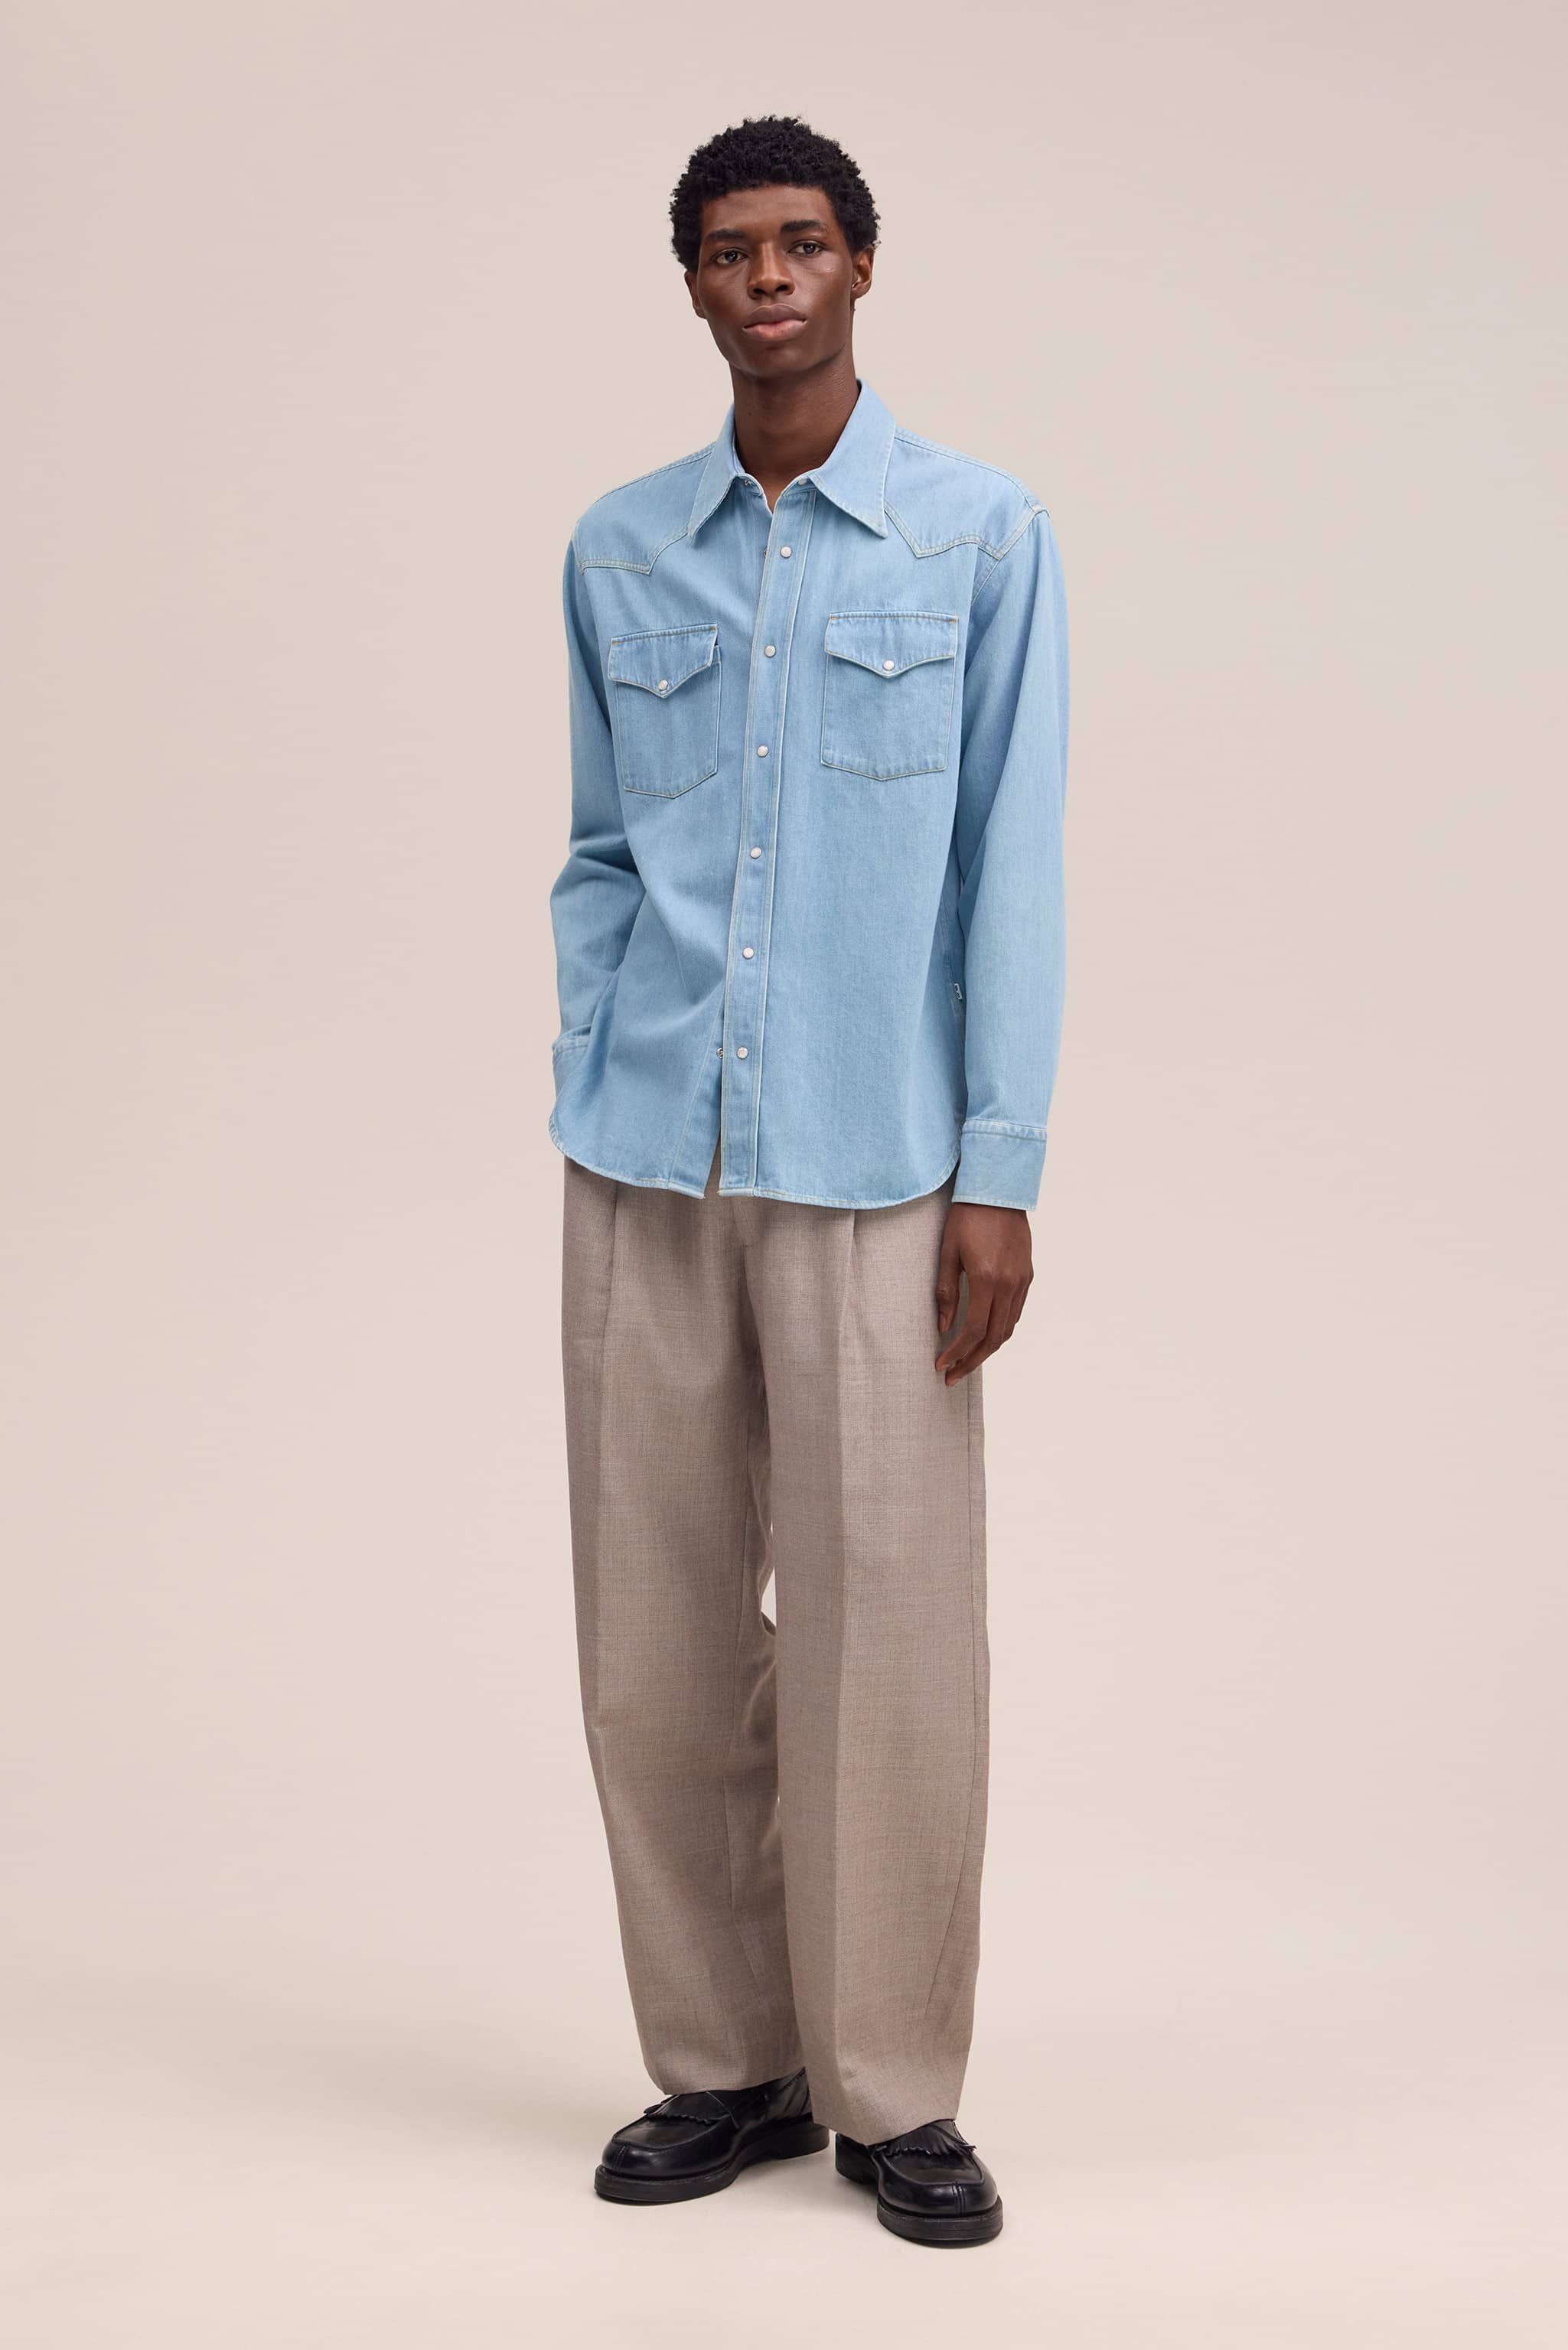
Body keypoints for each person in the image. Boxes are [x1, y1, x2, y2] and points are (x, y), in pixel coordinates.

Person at [547, 113, 1068, 2249]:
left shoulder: (977, 534)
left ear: (859, 265)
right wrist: (591, 1054)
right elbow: (599, 845)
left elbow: (1008, 860)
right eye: (728, 251)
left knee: (887, 1633)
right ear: (690, 282)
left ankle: (894, 2092)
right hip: (643, 1161)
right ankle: (724, 2066)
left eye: (801, 243)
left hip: (879, 1166)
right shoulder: (619, 550)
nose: (766, 278)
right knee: (655, 1640)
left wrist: (997, 1168)